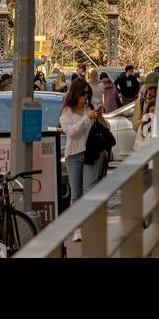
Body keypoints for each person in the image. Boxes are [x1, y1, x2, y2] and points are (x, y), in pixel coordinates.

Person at [59, 78, 105, 238]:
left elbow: (106, 129)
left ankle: (90, 225)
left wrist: (99, 118)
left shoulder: (91, 108)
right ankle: (78, 229)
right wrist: (87, 119)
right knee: (76, 193)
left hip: (91, 154)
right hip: (73, 155)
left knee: (89, 190)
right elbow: (71, 132)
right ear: (75, 93)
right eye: (83, 93)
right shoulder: (67, 112)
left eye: (88, 93)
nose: (85, 96)